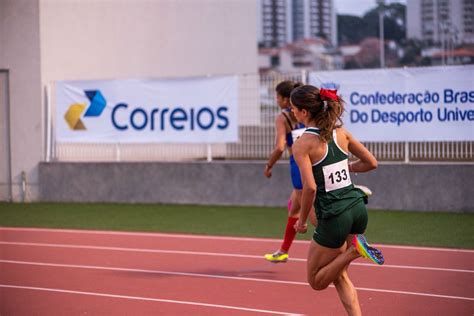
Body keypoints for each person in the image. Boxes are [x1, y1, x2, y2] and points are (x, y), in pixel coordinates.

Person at [290, 85, 384, 316]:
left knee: (316, 281)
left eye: (293, 109)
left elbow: (310, 188)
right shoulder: (341, 133)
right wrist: (346, 166)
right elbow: (371, 163)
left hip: (334, 215)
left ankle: (354, 251)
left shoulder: (303, 144)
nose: (292, 113)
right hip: (357, 209)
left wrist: (301, 221)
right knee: (339, 275)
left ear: (303, 112)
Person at [263, 80, 316, 263]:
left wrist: (269, 165)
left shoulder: (283, 118)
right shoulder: (309, 115)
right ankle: (284, 250)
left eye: (278, 97)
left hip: (297, 163)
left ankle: (338, 243)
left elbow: (279, 147)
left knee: (311, 214)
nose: (276, 100)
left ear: (287, 99)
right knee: (294, 207)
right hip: (313, 160)